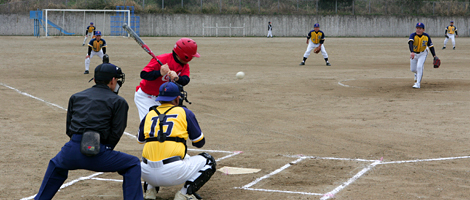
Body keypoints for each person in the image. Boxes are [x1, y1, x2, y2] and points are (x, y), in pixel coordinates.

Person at [34, 63, 144, 200]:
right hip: (99, 152)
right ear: (113, 81)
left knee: (56, 164)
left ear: (94, 80)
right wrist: (104, 149)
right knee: (133, 163)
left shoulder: (76, 96)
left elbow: (69, 128)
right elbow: (116, 132)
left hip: (72, 149)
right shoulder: (119, 101)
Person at [138, 81, 216, 200]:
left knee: (154, 154)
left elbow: (140, 139)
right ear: (177, 98)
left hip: (146, 173)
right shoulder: (185, 112)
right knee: (209, 160)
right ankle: (184, 194)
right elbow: (199, 143)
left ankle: (150, 192)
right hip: (172, 173)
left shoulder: (149, 113)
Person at [134, 38, 200, 121]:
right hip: (146, 97)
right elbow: (144, 74)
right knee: (149, 123)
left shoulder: (185, 66)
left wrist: (177, 78)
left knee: (166, 124)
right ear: (185, 55)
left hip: (164, 99)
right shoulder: (162, 59)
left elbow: (185, 80)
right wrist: (159, 73)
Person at [409, 22, 438, 89]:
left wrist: (434, 55)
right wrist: (412, 51)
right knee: (413, 69)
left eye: (420, 28)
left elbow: (431, 46)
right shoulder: (413, 35)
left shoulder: (426, 36)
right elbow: (410, 43)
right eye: (417, 28)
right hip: (414, 54)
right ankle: (417, 74)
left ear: (423, 30)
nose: (418, 30)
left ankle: (418, 83)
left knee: (419, 67)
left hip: (423, 53)